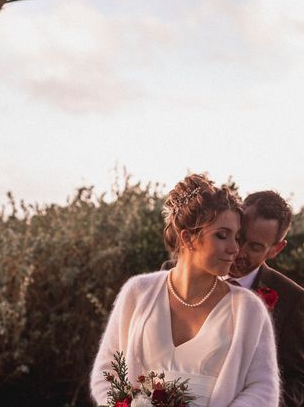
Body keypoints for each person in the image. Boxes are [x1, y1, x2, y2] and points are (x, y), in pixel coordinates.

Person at [90, 174, 279, 407]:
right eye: (222, 235)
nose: (234, 249)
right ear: (188, 237)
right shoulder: (138, 292)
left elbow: (263, 389)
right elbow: (106, 371)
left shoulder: (248, 309)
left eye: (236, 237)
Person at [227, 191, 304, 407]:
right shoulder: (180, 274)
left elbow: (298, 378)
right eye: (239, 238)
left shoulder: (292, 299)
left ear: (276, 249)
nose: (239, 252)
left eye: (255, 247)